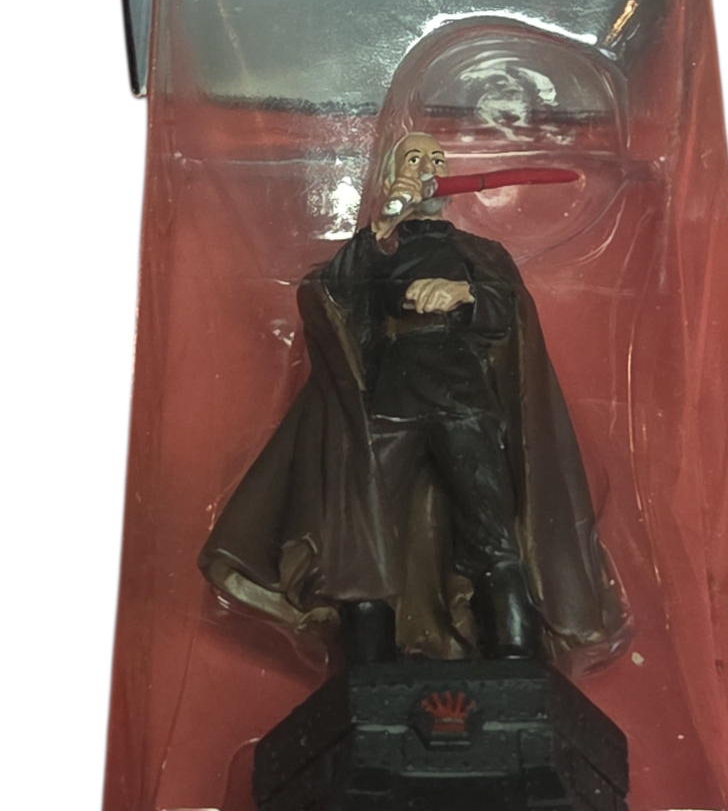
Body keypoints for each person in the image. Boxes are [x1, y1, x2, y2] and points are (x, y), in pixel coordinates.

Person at [200, 131, 625, 664]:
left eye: (437, 159)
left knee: (490, 523)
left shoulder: (479, 252)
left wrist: (464, 293)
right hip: (389, 397)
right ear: (389, 177)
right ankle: (366, 658)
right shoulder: (378, 249)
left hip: (462, 393)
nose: (428, 167)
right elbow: (332, 293)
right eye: (415, 158)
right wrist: (382, 226)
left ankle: (514, 654)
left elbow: (510, 308)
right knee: (363, 521)